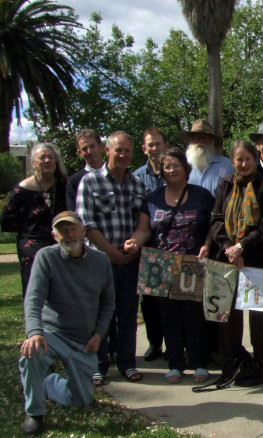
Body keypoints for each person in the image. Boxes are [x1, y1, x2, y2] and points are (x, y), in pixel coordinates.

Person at [19, 211, 114, 436]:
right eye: (63, 231)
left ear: (83, 232)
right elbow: (33, 298)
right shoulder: (46, 257)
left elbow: (109, 303)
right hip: (52, 332)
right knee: (31, 353)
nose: (69, 235)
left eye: (73, 229)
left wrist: (99, 334)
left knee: (80, 400)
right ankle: (34, 413)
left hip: (84, 339)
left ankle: (47, 381)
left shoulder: (101, 261)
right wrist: (34, 332)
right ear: (55, 235)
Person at [124, 148, 215, 384]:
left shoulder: (202, 195)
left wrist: (207, 245)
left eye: (175, 165)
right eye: (166, 167)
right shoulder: (152, 198)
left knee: (195, 317)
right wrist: (135, 241)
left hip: (192, 263)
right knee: (169, 317)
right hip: (160, 264)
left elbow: (215, 226)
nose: (171, 170)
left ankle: (198, 362)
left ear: (185, 168)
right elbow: (144, 230)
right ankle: (175, 363)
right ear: (162, 171)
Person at [76, 131, 146, 385]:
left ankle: (127, 363)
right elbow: (87, 224)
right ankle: (98, 365)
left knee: (127, 314)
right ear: (107, 151)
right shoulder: (90, 182)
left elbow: (143, 222)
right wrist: (111, 252)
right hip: (98, 263)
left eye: (128, 150)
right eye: (119, 150)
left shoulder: (138, 184)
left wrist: (135, 243)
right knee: (98, 315)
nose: (124, 155)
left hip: (129, 261)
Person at [210, 140, 263, 386]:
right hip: (228, 259)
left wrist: (243, 246)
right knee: (229, 317)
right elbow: (217, 219)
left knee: (259, 318)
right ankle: (231, 365)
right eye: (238, 159)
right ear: (232, 162)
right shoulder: (225, 185)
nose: (243, 163)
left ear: (255, 159)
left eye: (247, 159)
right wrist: (229, 248)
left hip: (256, 260)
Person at [1, 143, 67, 298]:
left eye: (50, 157)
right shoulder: (22, 190)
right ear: (33, 163)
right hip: (32, 248)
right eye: (42, 157)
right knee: (36, 294)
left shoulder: (65, 185)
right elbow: (6, 222)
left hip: (62, 246)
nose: (47, 160)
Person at [132, 126, 171, 362]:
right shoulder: (137, 177)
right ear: (144, 149)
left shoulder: (174, 170)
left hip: (175, 247)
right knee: (150, 302)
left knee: (175, 300)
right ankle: (155, 343)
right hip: (150, 248)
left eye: (159, 143)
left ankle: (177, 345)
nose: (155, 148)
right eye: (151, 145)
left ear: (166, 146)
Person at [183, 119, 234, 197]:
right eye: (197, 137)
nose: (201, 141)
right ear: (191, 140)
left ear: (212, 141)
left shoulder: (226, 164)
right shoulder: (182, 165)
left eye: (204, 137)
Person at [66, 129, 104, 211]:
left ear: (101, 147)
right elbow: (74, 214)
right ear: (79, 153)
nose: (89, 151)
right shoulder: (74, 182)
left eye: (92, 146)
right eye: (84, 149)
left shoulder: (115, 174)